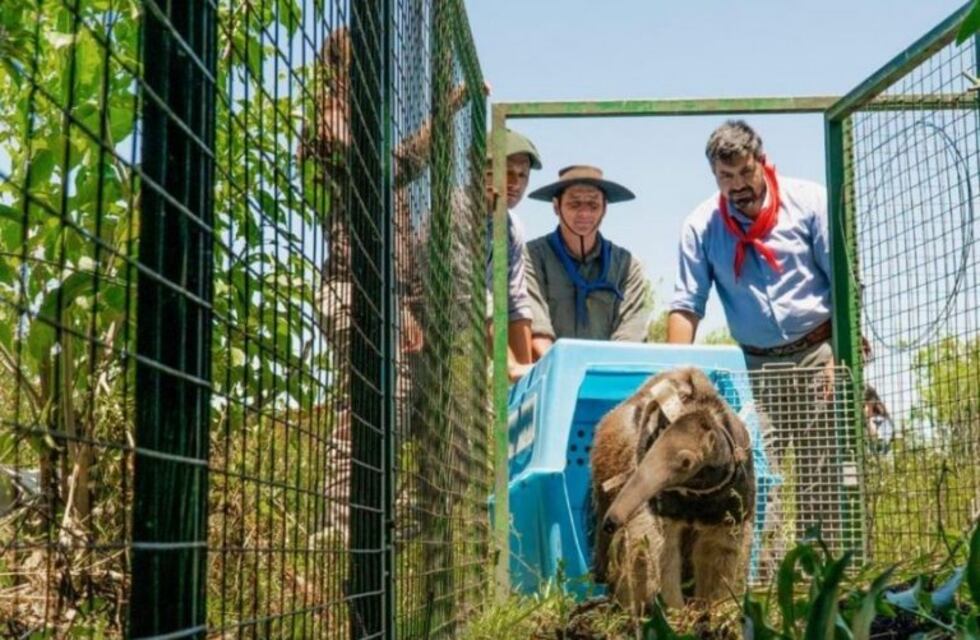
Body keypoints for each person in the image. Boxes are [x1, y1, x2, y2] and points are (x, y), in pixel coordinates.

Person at [667, 120, 840, 549]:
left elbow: (843, 283)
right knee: (756, 472)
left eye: (745, 172)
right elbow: (687, 304)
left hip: (819, 352)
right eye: (726, 177)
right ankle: (765, 578)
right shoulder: (701, 226)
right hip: (755, 368)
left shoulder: (810, 202)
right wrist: (673, 379)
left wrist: (844, 353)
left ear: (762, 162)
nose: (738, 185)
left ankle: (825, 577)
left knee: (825, 474)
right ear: (714, 176)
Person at [523, 165, 650, 359]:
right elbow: (537, 333)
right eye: (574, 205)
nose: (584, 214)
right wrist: (565, 373)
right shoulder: (531, 256)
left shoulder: (628, 266)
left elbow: (629, 340)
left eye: (593, 205)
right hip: (549, 376)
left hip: (607, 378)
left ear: (605, 208)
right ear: (556, 207)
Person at [484, 129, 543, 381]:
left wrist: (527, 379)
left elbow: (516, 301)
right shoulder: (457, 213)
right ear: (483, 170)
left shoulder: (512, 226)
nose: (515, 183)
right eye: (506, 172)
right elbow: (472, 297)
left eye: (522, 175)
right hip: (414, 327)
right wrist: (509, 366)